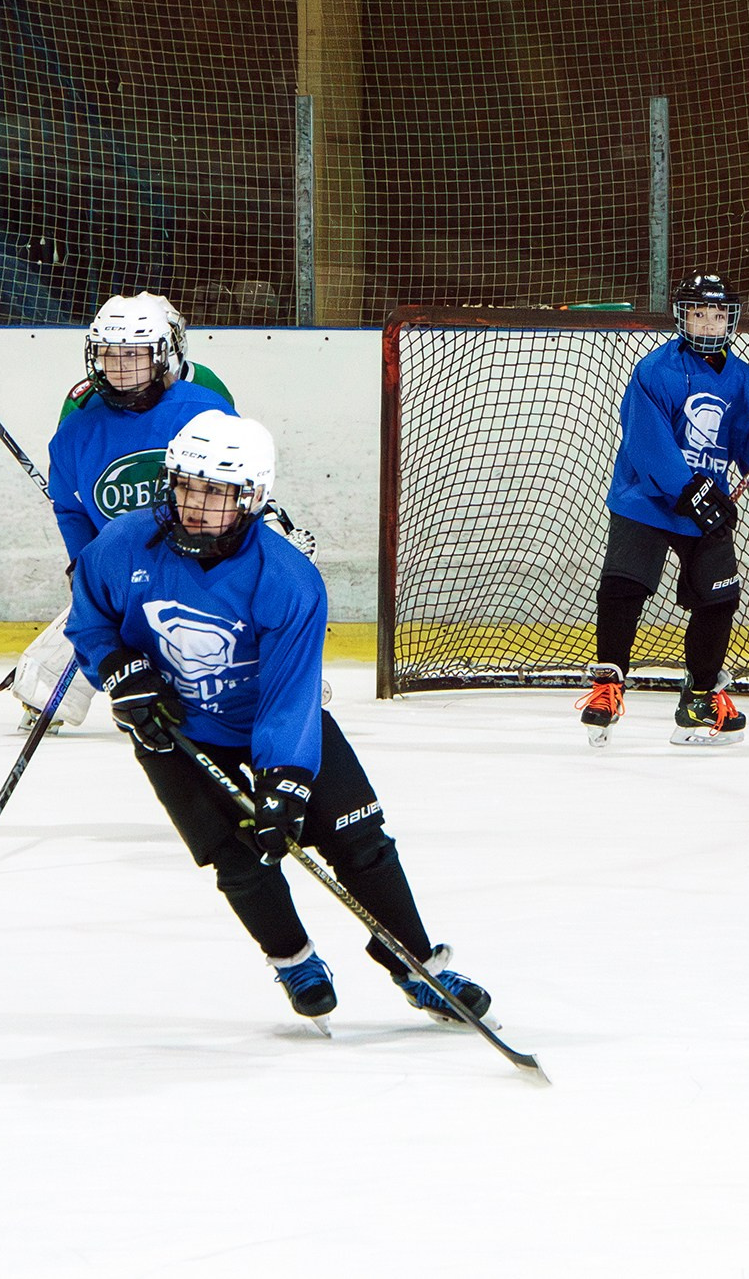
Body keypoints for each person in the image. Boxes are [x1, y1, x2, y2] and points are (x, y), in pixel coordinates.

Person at [65, 411, 493, 1031]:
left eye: (215, 492)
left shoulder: (288, 577)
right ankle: (293, 961)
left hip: (274, 724)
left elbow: (291, 695)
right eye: (185, 486)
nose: (194, 506)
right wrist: (118, 671)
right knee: (239, 860)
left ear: (253, 497)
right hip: (177, 733)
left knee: (361, 840)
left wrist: (286, 782)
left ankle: (417, 965)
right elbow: (89, 619)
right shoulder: (123, 545)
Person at [4, 290, 315, 730]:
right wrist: (85, 561)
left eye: (134, 354)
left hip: (205, 547)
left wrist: (264, 531)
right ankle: (47, 694)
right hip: (135, 555)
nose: (120, 367)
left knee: (236, 605)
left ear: (163, 355)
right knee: (109, 603)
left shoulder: (201, 407)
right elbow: (69, 507)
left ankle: (282, 685)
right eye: (110, 355)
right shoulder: (77, 427)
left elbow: (236, 475)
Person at [575, 272, 749, 746]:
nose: (709, 322)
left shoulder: (745, 381)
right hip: (647, 498)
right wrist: (688, 490)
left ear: (731, 320)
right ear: (683, 316)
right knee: (625, 586)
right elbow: (646, 442)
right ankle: (607, 686)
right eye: (700, 312)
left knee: (719, 598)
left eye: (719, 313)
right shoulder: (655, 370)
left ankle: (699, 697)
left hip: (706, 507)